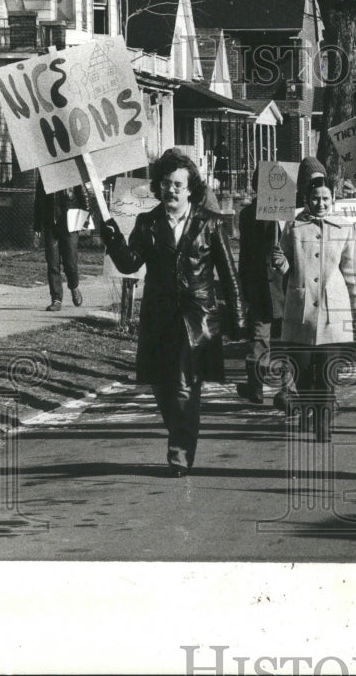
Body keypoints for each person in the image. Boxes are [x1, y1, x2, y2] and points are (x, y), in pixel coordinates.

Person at [97, 148, 245, 477]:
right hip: (158, 318)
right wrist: (110, 233)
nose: (171, 190)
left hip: (197, 319)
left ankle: (179, 451)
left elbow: (229, 273)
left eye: (178, 184)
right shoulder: (147, 222)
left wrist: (238, 318)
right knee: (163, 389)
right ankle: (178, 434)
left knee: (184, 388)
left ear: (190, 187)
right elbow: (129, 263)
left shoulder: (210, 223)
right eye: (166, 184)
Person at [271, 163, 356, 441]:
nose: (321, 203)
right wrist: (279, 262)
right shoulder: (293, 226)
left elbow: (352, 272)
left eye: (326, 198)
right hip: (300, 310)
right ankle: (309, 404)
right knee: (300, 369)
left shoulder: (344, 228)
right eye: (316, 198)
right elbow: (283, 258)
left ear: (333, 200)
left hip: (333, 311)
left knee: (326, 374)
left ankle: (323, 424)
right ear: (307, 199)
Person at [236, 164, 292, 406]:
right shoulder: (249, 215)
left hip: (283, 285)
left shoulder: (291, 214)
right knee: (264, 339)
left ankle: (283, 388)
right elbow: (246, 253)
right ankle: (258, 387)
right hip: (263, 286)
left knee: (280, 339)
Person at [34, 179, 87, 312]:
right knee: (52, 263)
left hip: (70, 222)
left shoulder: (70, 172)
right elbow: (39, 200)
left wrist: (84, 219)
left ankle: (74, 287)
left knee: (70, 262)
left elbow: (83, 196)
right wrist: (37, 226)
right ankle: (56, 299)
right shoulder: (44, 175)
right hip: (50, 223)